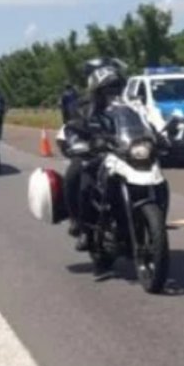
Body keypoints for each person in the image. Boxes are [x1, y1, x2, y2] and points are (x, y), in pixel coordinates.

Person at [60, 58, 128, 259]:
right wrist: (79, 143)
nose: (112, 91)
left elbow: (145, 121)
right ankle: (83, 228)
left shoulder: (130, 103)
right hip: (93, 153)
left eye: (115, 86)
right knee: (76, 176)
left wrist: (158, 135)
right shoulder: (82, 106)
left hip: (124, 152)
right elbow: (72, 127)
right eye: (108, 88)